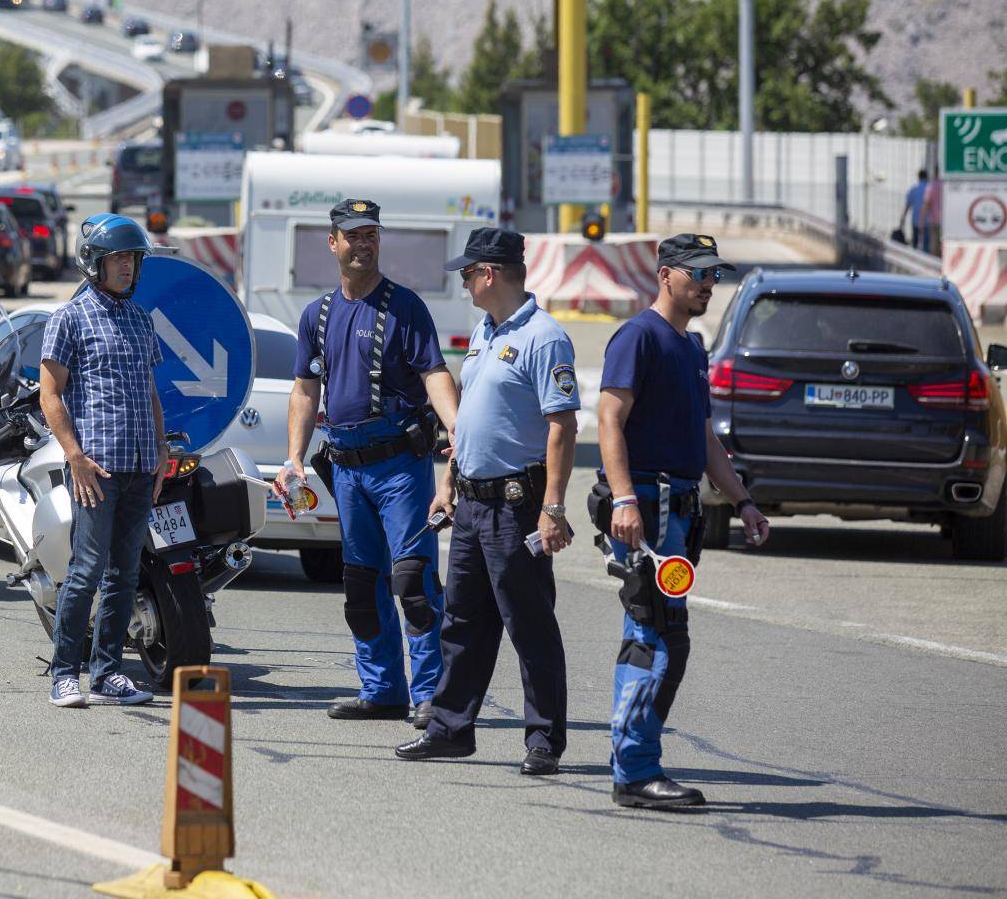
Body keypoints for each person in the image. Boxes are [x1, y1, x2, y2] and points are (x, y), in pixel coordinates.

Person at [597, 233, 770, 809]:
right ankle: (636, 771)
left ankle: (632, 754)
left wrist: (741, 501)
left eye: (713, 274)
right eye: (697, 272)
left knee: (671, 638)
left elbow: (702, 437)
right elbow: (609, 421)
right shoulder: (637, 337)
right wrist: (623, 499)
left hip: (680, 513)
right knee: (653, 635)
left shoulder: (692, 347)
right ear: (665, 274)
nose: (707, 283)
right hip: (646, 510)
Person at [395, 229, 577, 775]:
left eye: (468, 272)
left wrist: (553, 508)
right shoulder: (484, 331)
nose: (465, 281)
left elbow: (562, 427)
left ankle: (544, 741)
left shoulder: (545, 339)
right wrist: (449, 484)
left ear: (490, 273)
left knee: (528, 624)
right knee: (462, 622)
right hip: (474, 504)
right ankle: (450, 729)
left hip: (517, 505)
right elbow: (472, 415)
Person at [276, 199, 460, 728]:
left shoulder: (405, 308)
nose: (364, 244)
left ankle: (431, 695)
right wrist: (293, 458)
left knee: (413, 580)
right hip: (347, 470)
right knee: (361, 584)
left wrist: (457, 428)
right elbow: (306, 391)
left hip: (401, 467)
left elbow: (434, 372)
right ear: (332, 243)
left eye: (371, 235)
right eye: (353, 236)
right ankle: (381, 691)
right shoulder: (318, 315)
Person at [38, 214, 168, 709]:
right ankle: (64, 673)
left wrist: (160, 449)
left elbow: (149, 390)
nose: (127, 268)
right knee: (86, 570)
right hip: (96, 467)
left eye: (132, 259)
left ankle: (108, 671)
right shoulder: (69, 318)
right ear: (94, 262)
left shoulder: (140, 319)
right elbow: (50, 394)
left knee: (125, 574)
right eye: (117, 258)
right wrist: (74, 456)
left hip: (139, 465)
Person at [900, 169, 930, 252]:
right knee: (926, 243)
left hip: (916, 219)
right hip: (927, 220)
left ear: (919, 177)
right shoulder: (930, 189)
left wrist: (903, 218)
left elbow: (907, 205)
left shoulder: (914, 189)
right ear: (927, 177)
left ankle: (914, 257)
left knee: (915, 241)